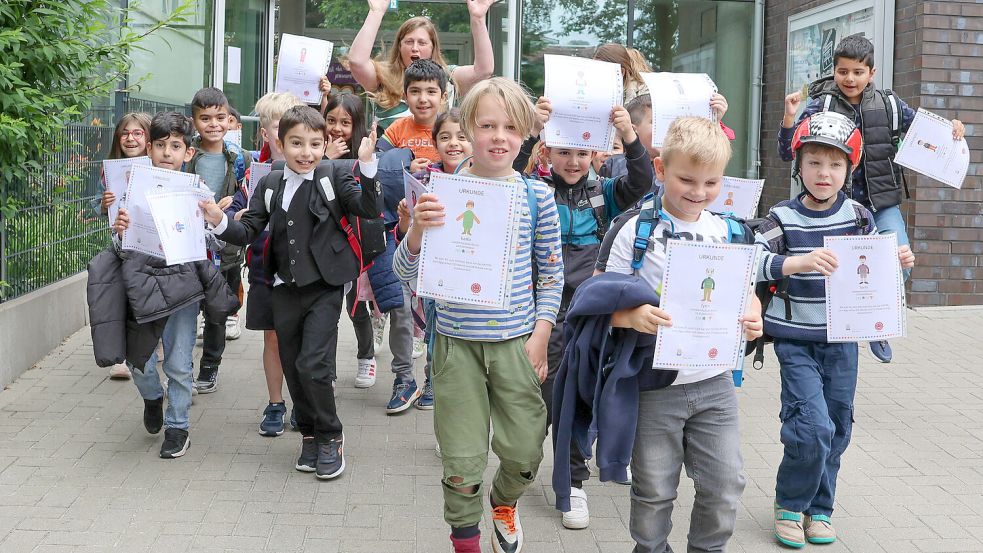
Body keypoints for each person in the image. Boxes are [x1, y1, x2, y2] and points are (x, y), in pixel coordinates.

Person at [393, 77, 563, 553]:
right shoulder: (438, 191)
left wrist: (541, 334)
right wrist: (416, 236)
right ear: (467, 127)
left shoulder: (537, 197)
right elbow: (406, 275)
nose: (498, 136)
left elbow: (552, 276)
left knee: (525, 452)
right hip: (454, 348)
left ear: (526, 132)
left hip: (516, 345)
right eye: (487, 125)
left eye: (510, 127)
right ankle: (465, 540)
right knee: (462, 462)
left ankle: (504, 502)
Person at [602, 117, 762, 553]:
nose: (698, 191)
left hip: (714, 383)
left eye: (710, 182)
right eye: (686, 179)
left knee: (726, 483)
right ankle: (650, 549)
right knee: (653, 489)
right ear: (659, 170)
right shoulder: (633, 231)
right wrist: (631, 316)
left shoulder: (729, 232)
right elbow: (596, 307)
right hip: (653, 385)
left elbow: (746, 293)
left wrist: (753, 315)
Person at [758, 111, 915, 547]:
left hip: (844, 342)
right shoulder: (781, 216)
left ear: (850, 167)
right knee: (812, 426)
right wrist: (795, 262)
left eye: (835, 164)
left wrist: (897, 262)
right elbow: (752, 260)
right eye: (813, 163)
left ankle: (820, 509)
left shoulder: (861, 215)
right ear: (798, 165)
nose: (824, 173)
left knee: (838, 426)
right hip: (796, 340)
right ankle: (790, 502)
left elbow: (877, 271)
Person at [779, 33, 962, 363]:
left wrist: (953, 128)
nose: (850, 78)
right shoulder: (820, 105)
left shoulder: (890, 104)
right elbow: (786, 151)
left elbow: (924, 128)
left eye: (858, 72)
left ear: (871, 73)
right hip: (841, 207)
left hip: (882, 202)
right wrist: (790, 118)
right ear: (834, 71)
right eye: (843, 71)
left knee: (898, 265)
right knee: (838, 268)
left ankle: (876, 324)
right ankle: (851, 319)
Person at [522, 96, 653, 530]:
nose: (573, 161)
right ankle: (523, 464)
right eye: (563, 152)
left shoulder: (605, 193)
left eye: (581, 152)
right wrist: (532, 131)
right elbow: (508, 179)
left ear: (595, 153)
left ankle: (572, 483)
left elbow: (641, 180)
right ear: (548, 153)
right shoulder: (536, 191)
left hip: (590, 313)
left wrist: (629, 135)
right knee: (542, 397)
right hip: (543, 309)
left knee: (577, 397)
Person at [106, 111, 239, 459]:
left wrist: (212, 222)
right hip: (142, 285)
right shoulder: (132, 189)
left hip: (183, 288)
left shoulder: (197, 192)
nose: (168, 153)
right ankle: (152, 397)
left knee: (179, 362)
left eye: (176, 146)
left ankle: (178, 426)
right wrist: (119, 230)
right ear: (149, 149)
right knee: (140, 362)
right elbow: (121, 246)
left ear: (188, 153)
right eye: (161, 145)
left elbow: (215, 243)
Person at [234, 91, 304, 436]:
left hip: (306, 271)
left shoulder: (317, 167)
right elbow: (237, 210)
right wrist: (237, 213)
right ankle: (276, 402)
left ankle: (306, 400)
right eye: (279, 127)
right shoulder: (252, 169)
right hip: (264, 266)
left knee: (309, 338)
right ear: (266, 132)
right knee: (273, 337)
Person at [186, 87, 251, 393]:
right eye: (205, 118)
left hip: (225, 249)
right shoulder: (186, 155)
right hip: (189, 245)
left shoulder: (240, 158)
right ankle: (182, 366)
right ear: (194, 121)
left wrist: (235, 202)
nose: (213, 124)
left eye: (220, 117)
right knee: (187, 308)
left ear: (230, 120)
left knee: (216, 312)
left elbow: (251, 192)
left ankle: (210, 366)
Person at [347, 0, 495, 131]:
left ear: (433, 48)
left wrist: (478, 19)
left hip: (436, 161)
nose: (415, 48)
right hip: (390, 160)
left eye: (422, 43)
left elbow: (484, 70)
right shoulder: (384, 76)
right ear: (399, 46)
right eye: (409, 42)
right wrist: (376, 12)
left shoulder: (447, 76)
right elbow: (356, 62)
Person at [321, 92, 381, 391]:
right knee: (326, 312)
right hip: (323, 248)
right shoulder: (315, 154)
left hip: (356, 246)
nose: (337, 128)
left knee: (357, 308)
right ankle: (327, 372)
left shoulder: (365, 156)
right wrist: (325, 159)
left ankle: (366, 356)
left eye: (345, 122)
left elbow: (371, 202)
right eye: (331, 120)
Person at [100, 112, 152, 380]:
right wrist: (104, 204)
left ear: (149, 138)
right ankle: (121, 358)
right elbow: (101, 211)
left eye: (138, 133)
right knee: (123, 298)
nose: (130, 138)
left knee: (148, 298)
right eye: (125, 133)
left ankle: (152, 350)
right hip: (122, 246)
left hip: (152, 246)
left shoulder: (160, 166)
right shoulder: (110, 170)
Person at [381, 59, 447, 171]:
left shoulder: (450, 127)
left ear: (443, 97)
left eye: (431, 92)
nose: (423, 99)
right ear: (405, 97)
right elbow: (381, 161)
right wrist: (407, 167)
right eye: (415, 91)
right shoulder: (396, 129)